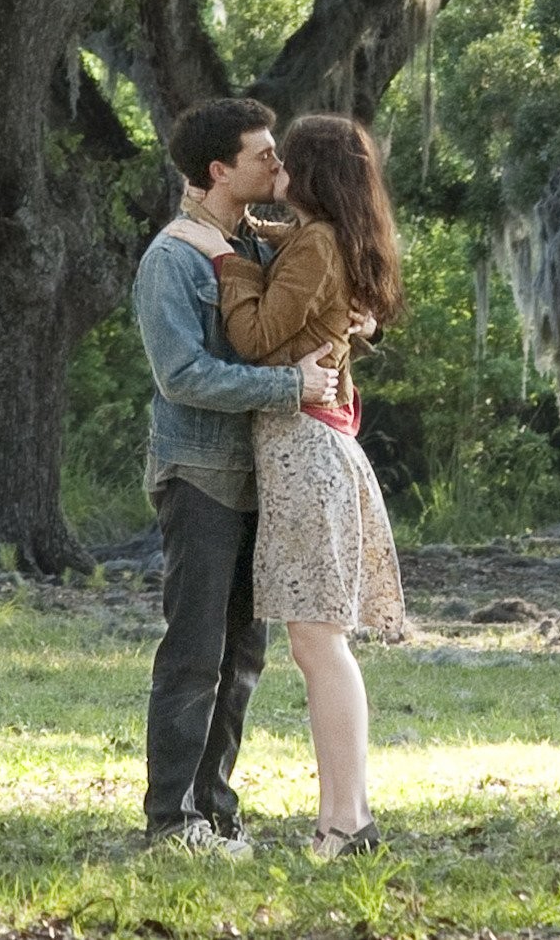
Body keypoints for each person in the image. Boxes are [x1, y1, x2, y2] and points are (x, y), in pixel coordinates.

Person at [164, 113, 407, 861]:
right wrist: (248, 241)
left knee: (318, 645)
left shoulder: (318, 244)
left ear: (310, 176)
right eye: (266, 160)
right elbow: (298, 265)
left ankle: (345, 821)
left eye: (284, 163)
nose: (275, 174)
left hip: (303, 452)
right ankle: (347, 815)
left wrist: (227, 263)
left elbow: (254, 337)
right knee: (318, 644)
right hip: (309, 449)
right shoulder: (323, 238)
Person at [133, 98, 342, 860]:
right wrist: (292, 390)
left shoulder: (254, 243)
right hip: (200, 476)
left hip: (263, 477)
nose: (278, 168)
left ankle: (217, 812)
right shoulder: (172, 260)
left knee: (245, 652)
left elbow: (312, 294)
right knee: (195, 649)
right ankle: (172, 823)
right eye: (264, 157)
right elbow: (182, 375)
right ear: (220, 170)